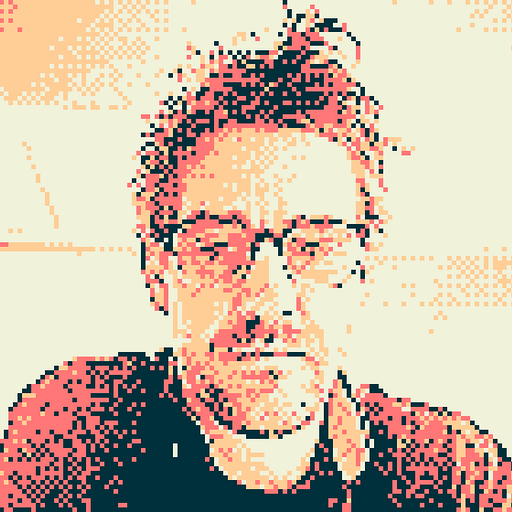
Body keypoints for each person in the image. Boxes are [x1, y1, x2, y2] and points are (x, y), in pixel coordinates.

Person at [1, 5, 511, 511]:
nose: (268, 299)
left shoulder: (455, 475)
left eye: (315, 246)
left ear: (363, 272)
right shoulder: (73, 436)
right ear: (157, 274)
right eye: (215, 246)